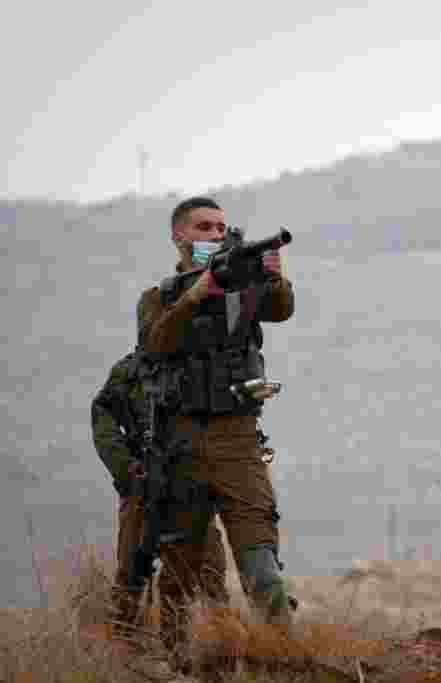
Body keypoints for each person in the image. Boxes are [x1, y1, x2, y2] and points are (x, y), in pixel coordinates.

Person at [135, 196, 295, 661]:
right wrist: (195, 296)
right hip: (181, 446)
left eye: (221, 228)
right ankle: (176, 661)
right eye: (203, 227)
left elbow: (281, 308)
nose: (215, 235)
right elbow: (154, 344)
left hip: (238, 441)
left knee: (262, 564)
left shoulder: (243, 287)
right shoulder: (160, 297)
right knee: (179, 572)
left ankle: (285, 657)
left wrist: (273, 275)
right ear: (179, 236)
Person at [91, 348, 229, 668]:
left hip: (190, 486)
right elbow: (102, 415)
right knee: (131, 572)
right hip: (143, 486)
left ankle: (213, 650)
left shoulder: (200, 364)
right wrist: (127, 468)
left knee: (210, 570)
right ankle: (122, 654)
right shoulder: (130, 371)